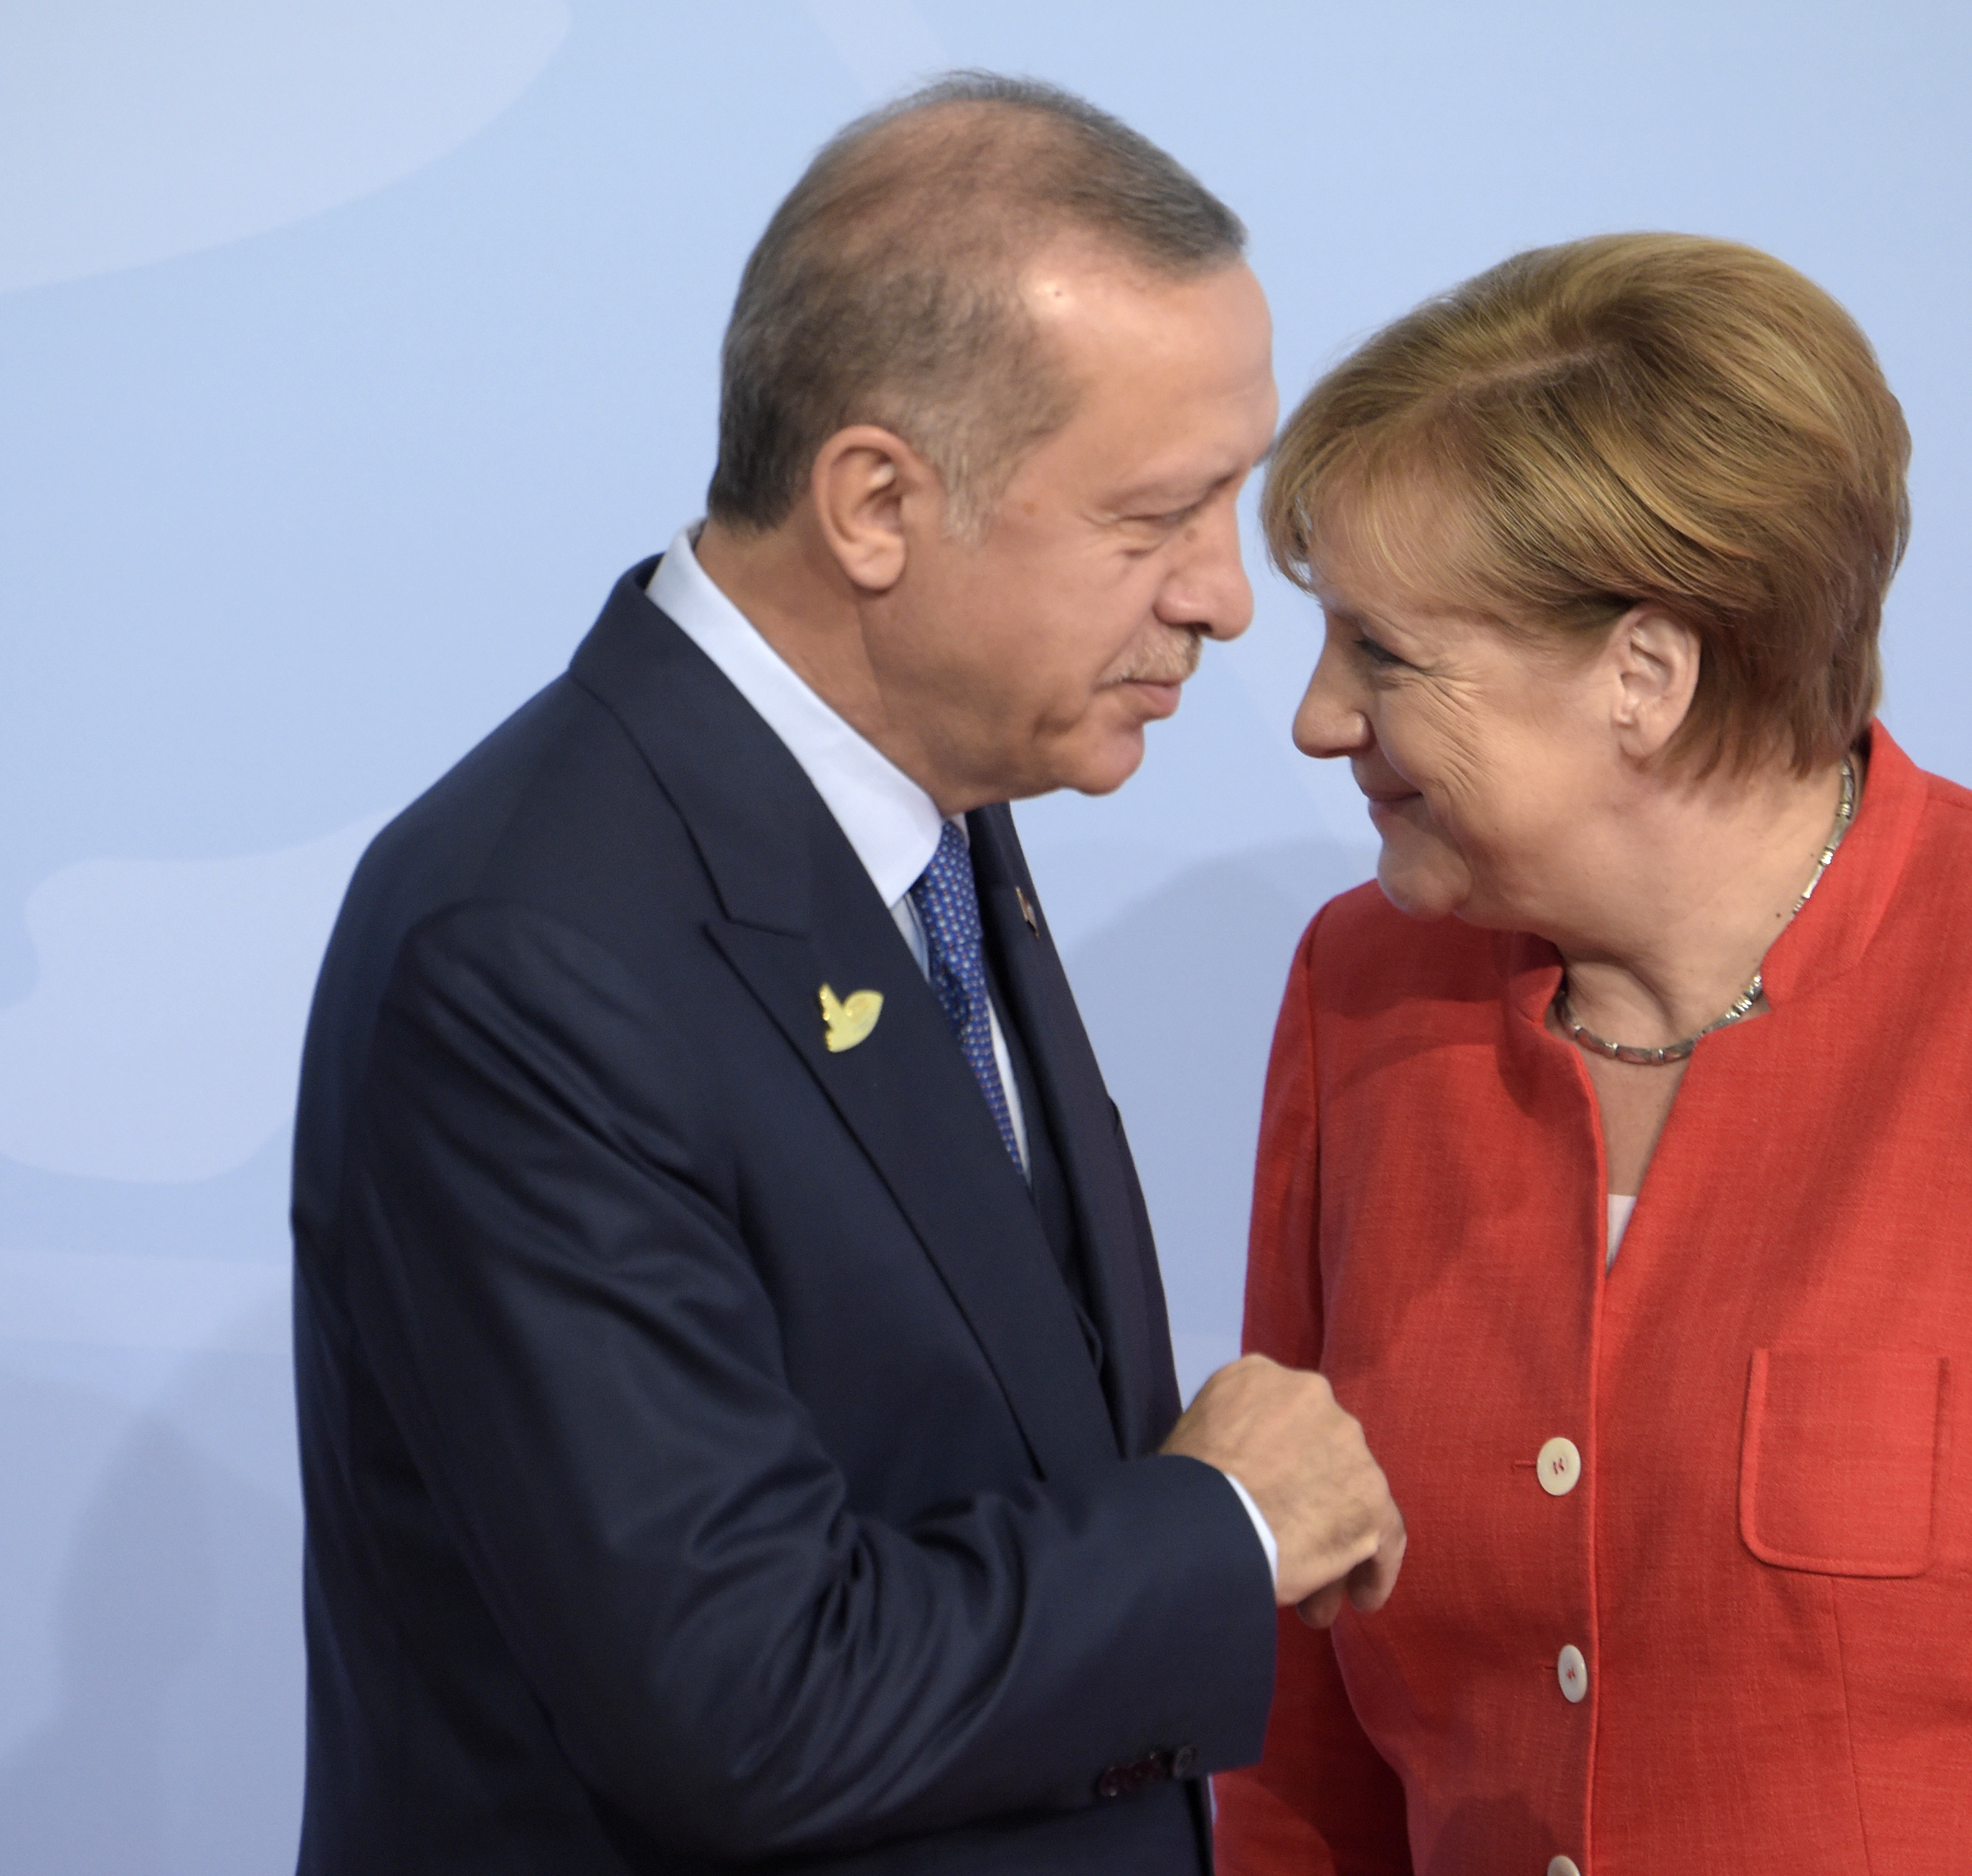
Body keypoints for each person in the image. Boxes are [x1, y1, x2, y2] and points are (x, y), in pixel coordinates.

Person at [1214, 233, 1972, 1874]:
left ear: (1643, 676)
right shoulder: (1360, 991)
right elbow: (1299, 1731)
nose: (1317, 717)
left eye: (1382, 653)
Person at [290, 75, 1404, 1876]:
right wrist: (1220, 1529)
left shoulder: (932, 804)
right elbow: (741, 1695)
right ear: (876, 504)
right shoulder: (525, 950)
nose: (1221, 597)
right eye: (1153, 519)